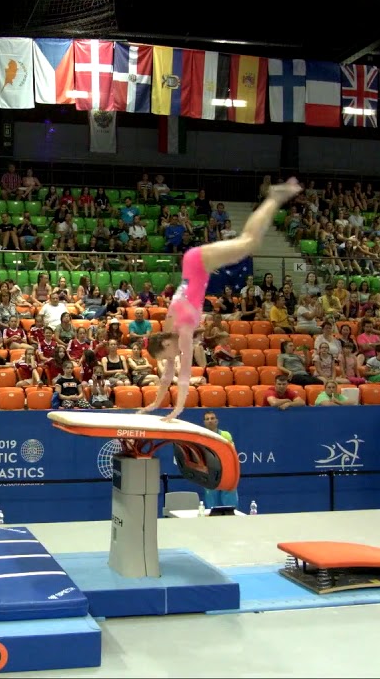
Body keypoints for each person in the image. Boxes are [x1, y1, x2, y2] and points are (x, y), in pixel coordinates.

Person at [138, 178, 302, 421]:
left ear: (164, 345)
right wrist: (153, 405)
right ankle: (274, 198)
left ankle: (275, 197)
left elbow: (183, 375)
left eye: (166, 356)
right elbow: (167, 375)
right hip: (195, 267)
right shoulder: (170, 334)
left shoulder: (180, 333)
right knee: (249, 243)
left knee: (249, 242)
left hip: (197, 264)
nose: (169, 359)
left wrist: (177, 410)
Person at [201, 412, 237, 509]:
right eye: (207, 419)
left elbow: (232, 453)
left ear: (217, 421)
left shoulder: (226, 435)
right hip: (209, 473)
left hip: (226, 472)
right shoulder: (201, 436)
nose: (210, 421)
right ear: (204, 422)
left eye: (212, 418)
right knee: (212, 504)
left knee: (230, 503)